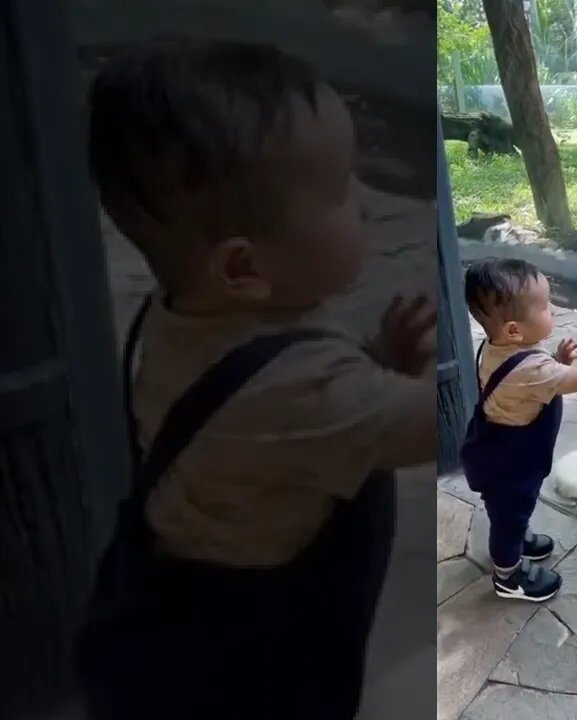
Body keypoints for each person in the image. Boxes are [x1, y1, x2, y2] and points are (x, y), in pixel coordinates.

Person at [75, 38, 436, 720]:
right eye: (339, 188)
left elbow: (280, 408)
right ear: (242, 269)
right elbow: (439, 424)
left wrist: (375, 360)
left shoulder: (180, 313)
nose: (364, 201)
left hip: (177, 608)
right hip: (259, 664)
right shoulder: (304, 395)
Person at [461, 258, 577, 601]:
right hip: (510, 463)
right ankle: (508, 575)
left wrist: (557, 364)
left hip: (497, 448)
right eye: (545, 306)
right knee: (508, 517)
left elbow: (529, 385)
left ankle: (517, 538)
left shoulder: (501, 348)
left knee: (512, 510)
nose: (553, 311)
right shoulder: (530, 367)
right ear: (515, 330)